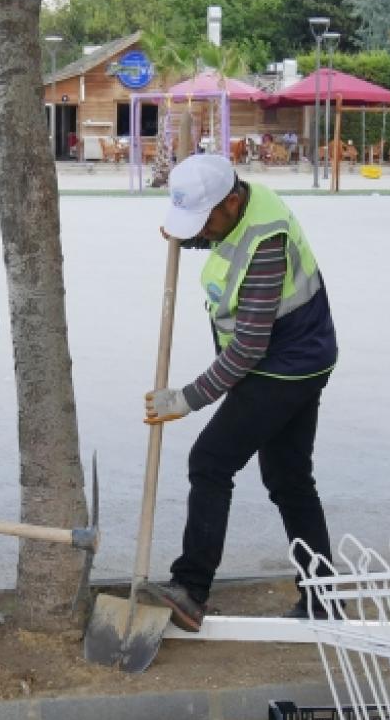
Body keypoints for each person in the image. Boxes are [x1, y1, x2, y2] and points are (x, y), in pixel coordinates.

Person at [140, 154, 338, 629]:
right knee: (290, 481)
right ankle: (323, 599)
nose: (202, 228)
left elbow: (249, 346)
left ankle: (191, 588)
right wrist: (185, 236)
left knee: (210, 461)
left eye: (205, 219)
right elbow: (223, 242)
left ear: (231, 201)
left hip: (283, 367)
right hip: (297, 357)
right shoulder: (239, 211)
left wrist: (187, 398)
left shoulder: (265, 240)